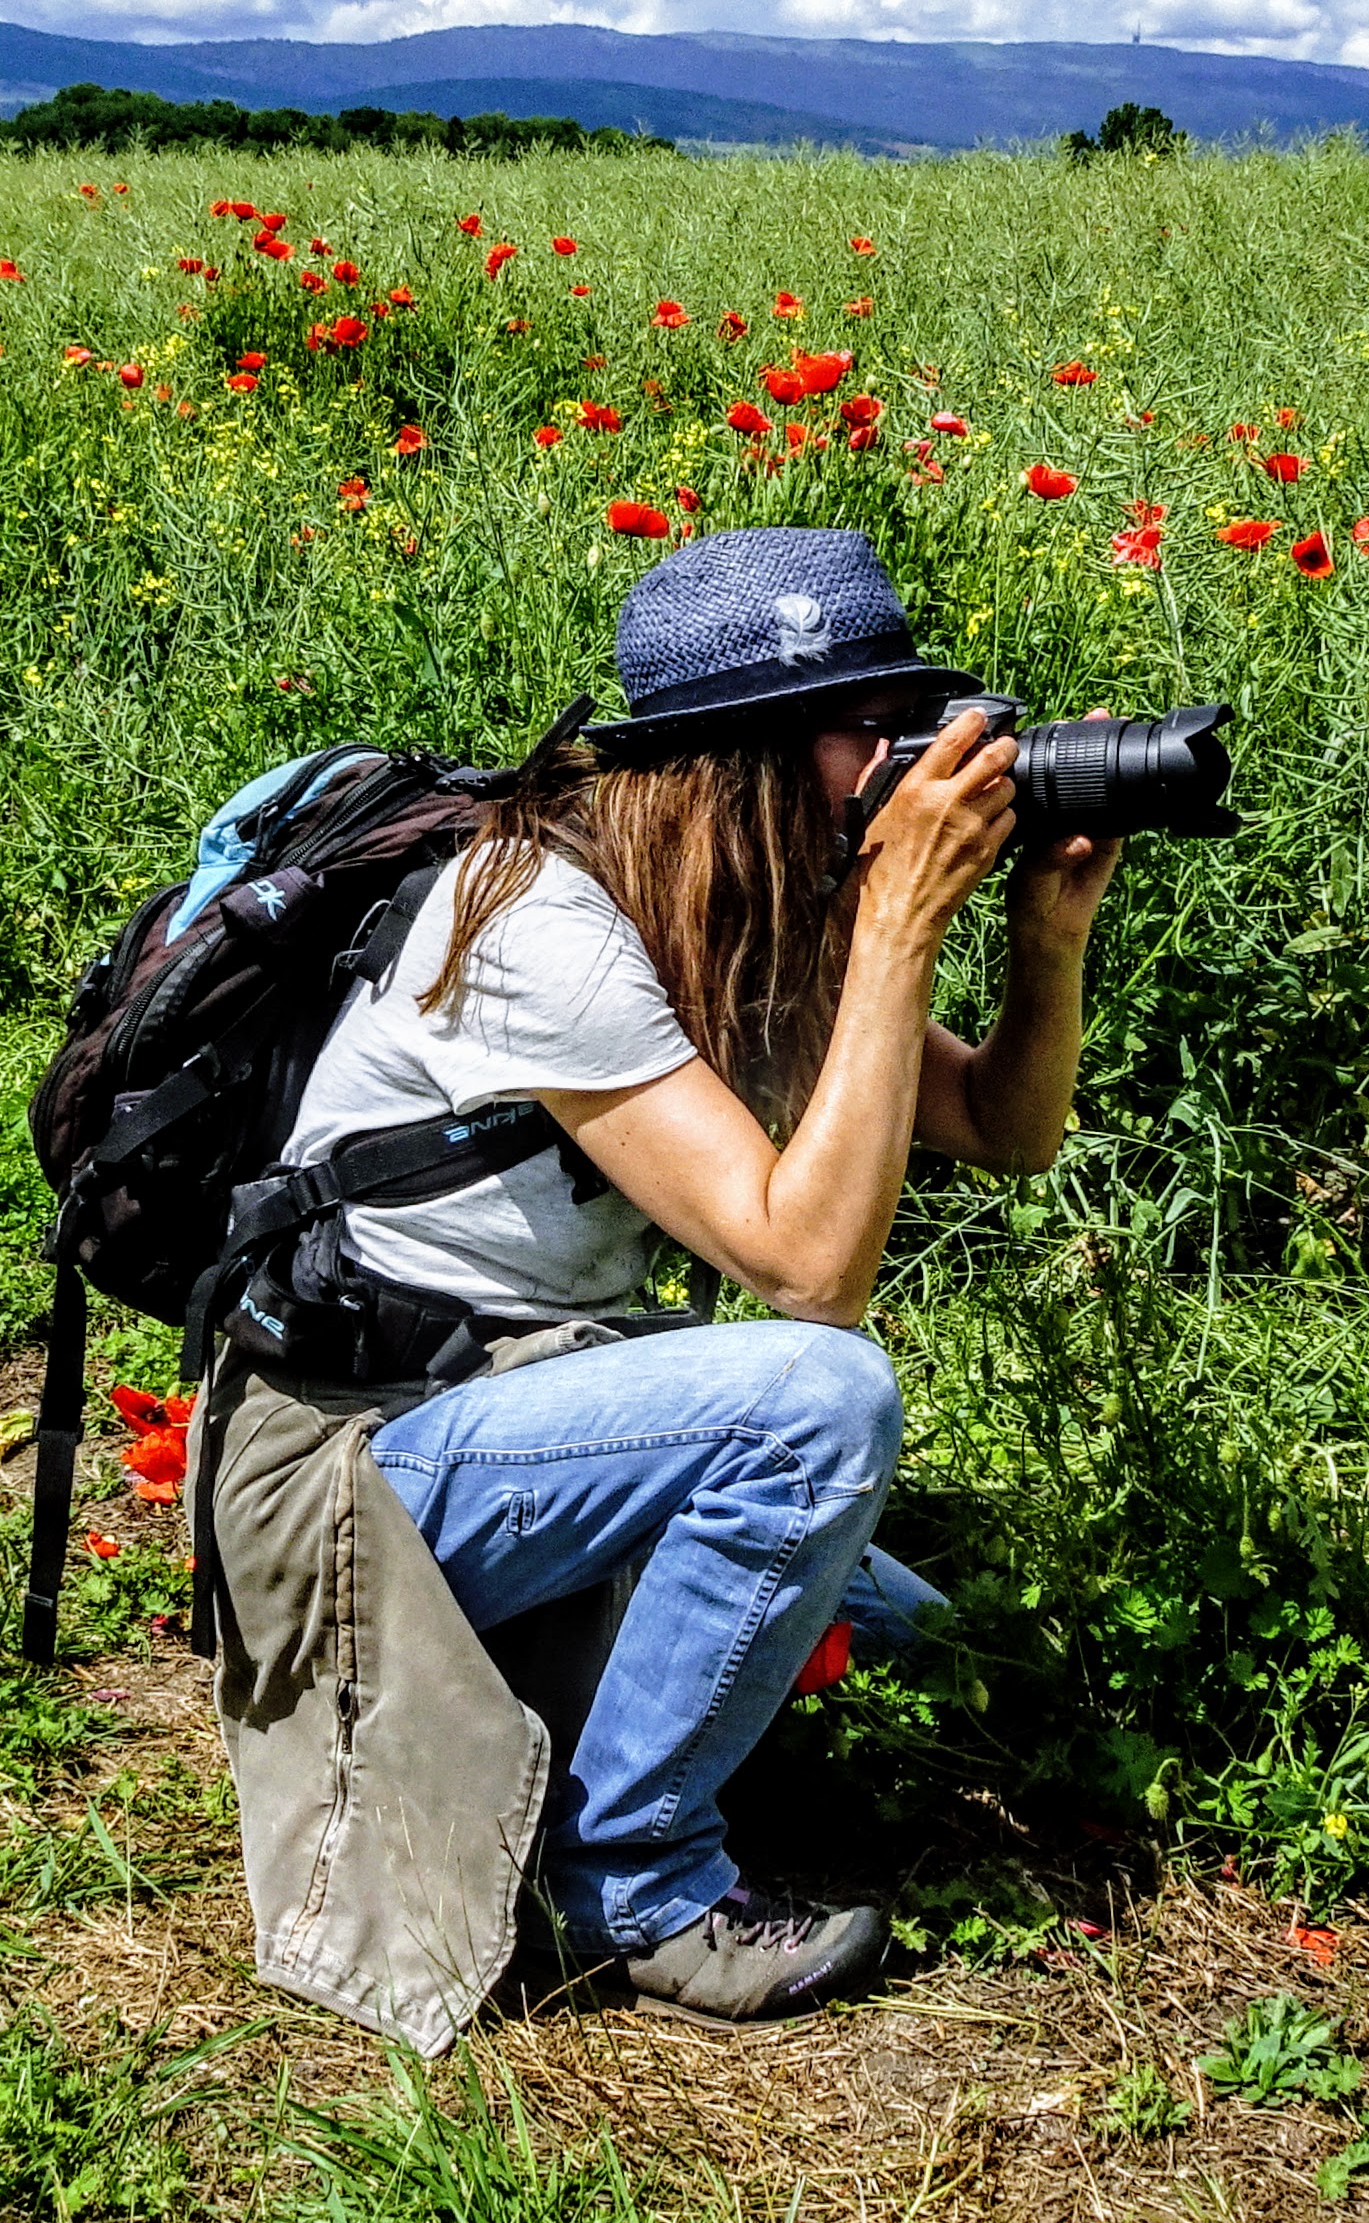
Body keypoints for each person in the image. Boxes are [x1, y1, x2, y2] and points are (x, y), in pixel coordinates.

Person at [195, 525, 1122, 2046]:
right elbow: (809, 1275)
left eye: (920, 722)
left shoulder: (730, 900)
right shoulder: (538, 922)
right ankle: (634, 1885)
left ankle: (599, 1721)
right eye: (875, 731)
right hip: (346, 1465)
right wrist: (897, 925)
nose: (912, 764)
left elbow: (1003, 1129)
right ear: (748, 758)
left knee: (941, 1639)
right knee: (816, 1406)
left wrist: (1045, 934)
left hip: (511, 1398)